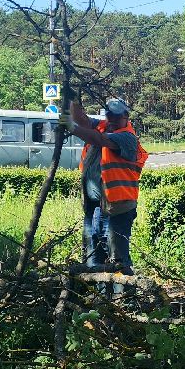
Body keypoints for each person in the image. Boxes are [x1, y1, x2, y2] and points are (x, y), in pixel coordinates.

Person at [70, 97, 147, 273]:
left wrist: (72, 128)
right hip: (95, 206)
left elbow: (99, 139)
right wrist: (72, 98)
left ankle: (123, 288)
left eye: (116, 116)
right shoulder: (103, 125)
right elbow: (82, 120)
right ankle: (97, 288)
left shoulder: (127, 137)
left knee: (117, 258)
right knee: (92, 255)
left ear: (126, 116)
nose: (111, 119)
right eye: (109, 115)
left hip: (117, 209)